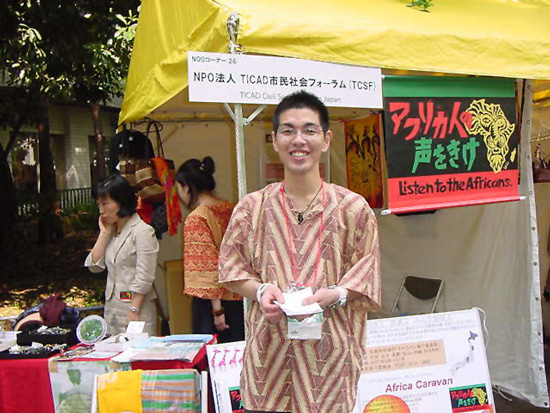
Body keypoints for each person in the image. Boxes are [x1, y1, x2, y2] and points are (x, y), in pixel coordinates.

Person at [218, 91, 382, 412]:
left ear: (325, 139)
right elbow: (230, 268)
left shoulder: (353, 209)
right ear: (275, 140)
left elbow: (368, 272)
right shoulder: (252, 207)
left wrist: (335, 294)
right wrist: (261, 289)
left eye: (310, 130)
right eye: (288, 130)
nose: (299, 139)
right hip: (269, 361)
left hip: (330, 362)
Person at [176, 156, 244, 343]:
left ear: (188, 186)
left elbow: (208, 268)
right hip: (241, 294)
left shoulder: (197, 217)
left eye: (179, 188)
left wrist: (217, 311)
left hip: (214, 305)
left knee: (214, 361)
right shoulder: (232, 208)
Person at [85, 174, 159, 336]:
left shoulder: (142, 231)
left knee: (137, 356)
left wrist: (134, 309)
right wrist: (104, 233)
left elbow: (144, 276)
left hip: (136, 307)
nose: (101, 211)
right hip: (113, 308)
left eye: (105, 204)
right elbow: (94, 266)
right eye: (99, 204)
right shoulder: (112, 231)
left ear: (121, 201)